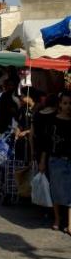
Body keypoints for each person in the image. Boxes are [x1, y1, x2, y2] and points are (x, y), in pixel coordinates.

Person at [39, 91, 71, 234]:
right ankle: (57, 219)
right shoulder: (53, 121)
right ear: (59, 104)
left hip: (69, 160)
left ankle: (70, 223)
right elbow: (46, 143)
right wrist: (42, 161)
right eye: (65, 103)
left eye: (70, 103)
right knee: (57, 191)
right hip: (56, 160)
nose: (68, 106)